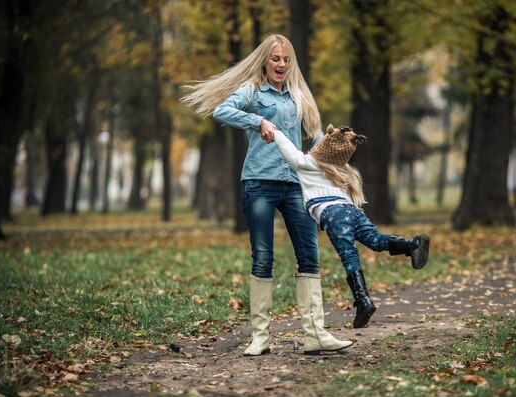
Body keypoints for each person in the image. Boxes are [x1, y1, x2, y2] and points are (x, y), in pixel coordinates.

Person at [181, 34, 352, 356]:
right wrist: (257, 119)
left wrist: (334, 146)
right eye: (275, 58)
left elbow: (315, 139)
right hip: (259, 183)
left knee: (310, 256)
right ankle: (260, 337)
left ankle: (315, 334)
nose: (281, 64)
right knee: (263, 256)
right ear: (265, 60)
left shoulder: (300, 96)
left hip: (296, 185)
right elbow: (222, 111)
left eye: (286, 59)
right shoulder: (252, 91)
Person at [268, 125, 430, 329]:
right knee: (375, 240)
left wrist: (274, 131)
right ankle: (411, 244)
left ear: (321, 149)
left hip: (333, 214)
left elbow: (287, 149)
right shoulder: (339, 168)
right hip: (351, 211)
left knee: (349, 255)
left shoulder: (307, 163)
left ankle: (363, 301)